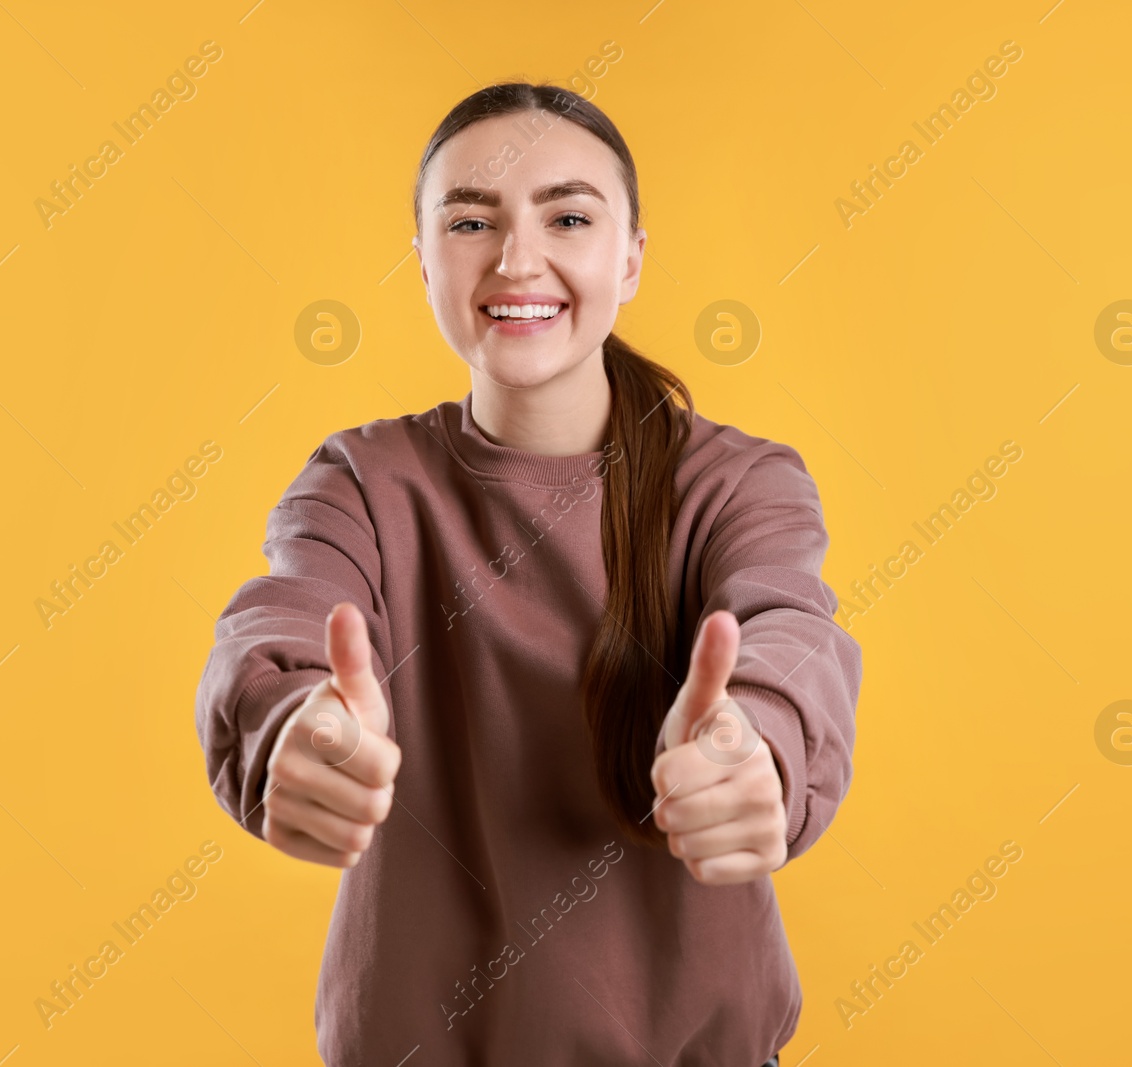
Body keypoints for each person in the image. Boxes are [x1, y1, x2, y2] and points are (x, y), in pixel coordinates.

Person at [193, 81, 862, 1067]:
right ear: (421, 258)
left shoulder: (739, 482)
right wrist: (287, 724)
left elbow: (790, 626)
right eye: (471, 220)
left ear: (630, 258)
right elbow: (277, 619)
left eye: (569, 216)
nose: (516, 258)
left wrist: (757, 742)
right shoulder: (362, 481)